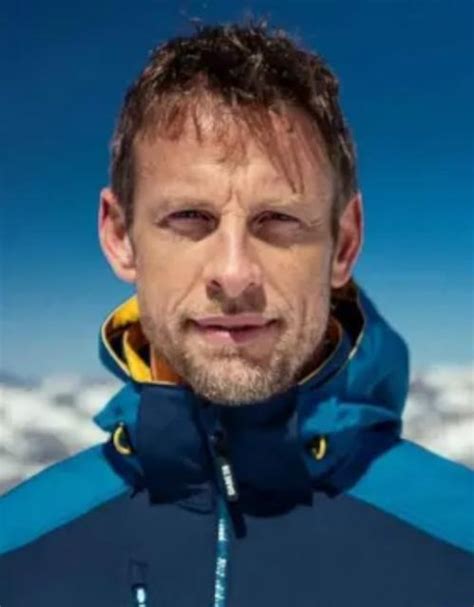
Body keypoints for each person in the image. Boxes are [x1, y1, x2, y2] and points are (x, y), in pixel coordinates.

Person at [1, 22, 472, 606]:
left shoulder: (459, 547)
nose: (233, 272)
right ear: (120, 236)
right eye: (190, 218)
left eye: (278, 220)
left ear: (344, 244)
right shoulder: (16, 554)